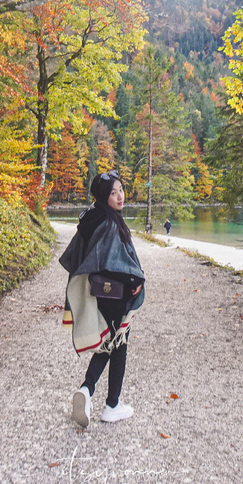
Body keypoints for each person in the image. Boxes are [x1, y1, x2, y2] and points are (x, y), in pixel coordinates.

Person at [59, 171, 146, 427]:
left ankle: (87, 391)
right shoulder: (109, 223)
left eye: (120, 190)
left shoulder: (93, 218)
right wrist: (135, 282)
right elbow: (113, 263)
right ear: (102, 197)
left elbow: (79, 257)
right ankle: (111, 405)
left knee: (110, 343)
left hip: (99, 292)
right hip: (115, 293)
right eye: (113, 193)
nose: (119, 196)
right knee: (119, 343)